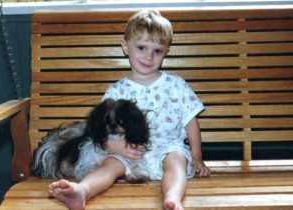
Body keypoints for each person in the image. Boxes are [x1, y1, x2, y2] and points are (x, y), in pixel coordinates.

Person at [48, 10, 211, 210]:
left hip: (168, 147)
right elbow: (102, 129)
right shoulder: (117, 91)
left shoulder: (176, 85)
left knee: (177, 163)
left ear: (166, 51)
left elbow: (190, 122)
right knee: (110, 164)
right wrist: (116, 148)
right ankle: (82, 191)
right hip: (128, 150)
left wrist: (196, 157)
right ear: (126, 47)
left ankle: (172, 198)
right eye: (141, 47)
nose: (149, 56)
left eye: (157, 50)